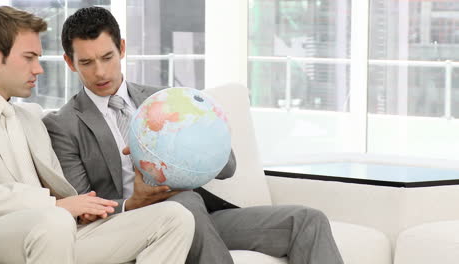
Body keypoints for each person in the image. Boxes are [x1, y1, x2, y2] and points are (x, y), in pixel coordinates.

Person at [44, 6, 344, 264]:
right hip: (135, 225)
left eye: (107, 57)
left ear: (122, 48)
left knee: (308, 221)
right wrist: (133, 202)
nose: (100, 72)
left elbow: (227, 167)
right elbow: (83, 209)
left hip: (201, 213)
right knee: (184, 202)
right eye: (86, 62)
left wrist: (199, 141)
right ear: (70, 63)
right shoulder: (63, 125)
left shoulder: (165, 100)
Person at [0, 6, 194, 264]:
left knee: (175, 217)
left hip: (56, 230)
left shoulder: (30, 118)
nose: (39, 69)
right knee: (55, 223)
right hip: (3, 231)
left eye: (39, 58)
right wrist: (56, 207)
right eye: (29, 57)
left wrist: (81, 209)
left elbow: (62, 192)